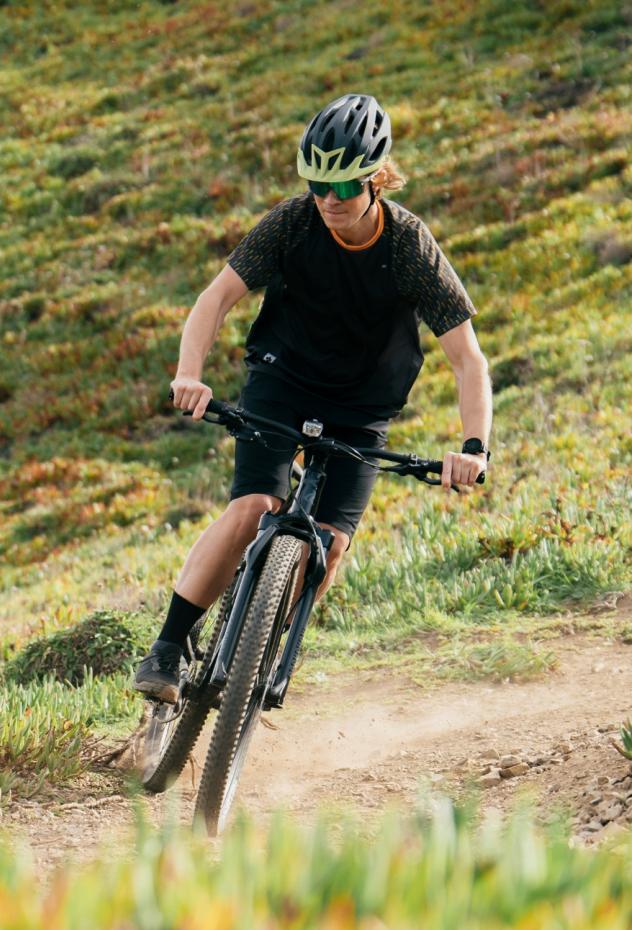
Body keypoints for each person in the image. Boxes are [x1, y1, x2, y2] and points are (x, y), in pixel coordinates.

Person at [133, 93, 493, 702]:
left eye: (346, 185)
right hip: (284, 379)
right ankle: (168, 646)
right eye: (317, 183)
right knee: (254, 506)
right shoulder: (293, 222)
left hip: (362, 406)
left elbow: (468, 358)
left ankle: (257, 650)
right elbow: (214, 299)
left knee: (330, 544)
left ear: (376, 178)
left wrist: (474, 447)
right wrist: (188, 373)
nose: (330, 199)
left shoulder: (409, 246)